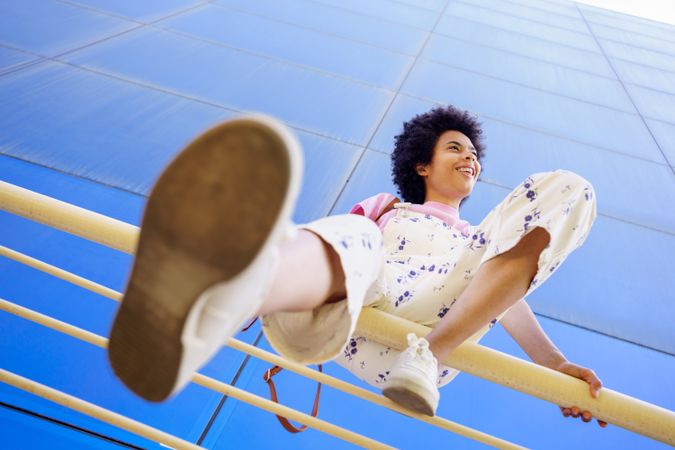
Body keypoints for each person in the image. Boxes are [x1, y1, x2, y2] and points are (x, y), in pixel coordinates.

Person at [108, 106, 606, 427]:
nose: (470, 159)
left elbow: (505, 304)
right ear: (422, 165)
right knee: (360, 234)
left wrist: (556, 368)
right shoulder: (389, 208)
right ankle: (220, 300)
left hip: (428, 345)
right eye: (455, 147)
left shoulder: (481, 247)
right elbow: (339, 254)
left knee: (569, 187)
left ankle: (429, 356)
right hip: (353, 319)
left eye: (474, 153)